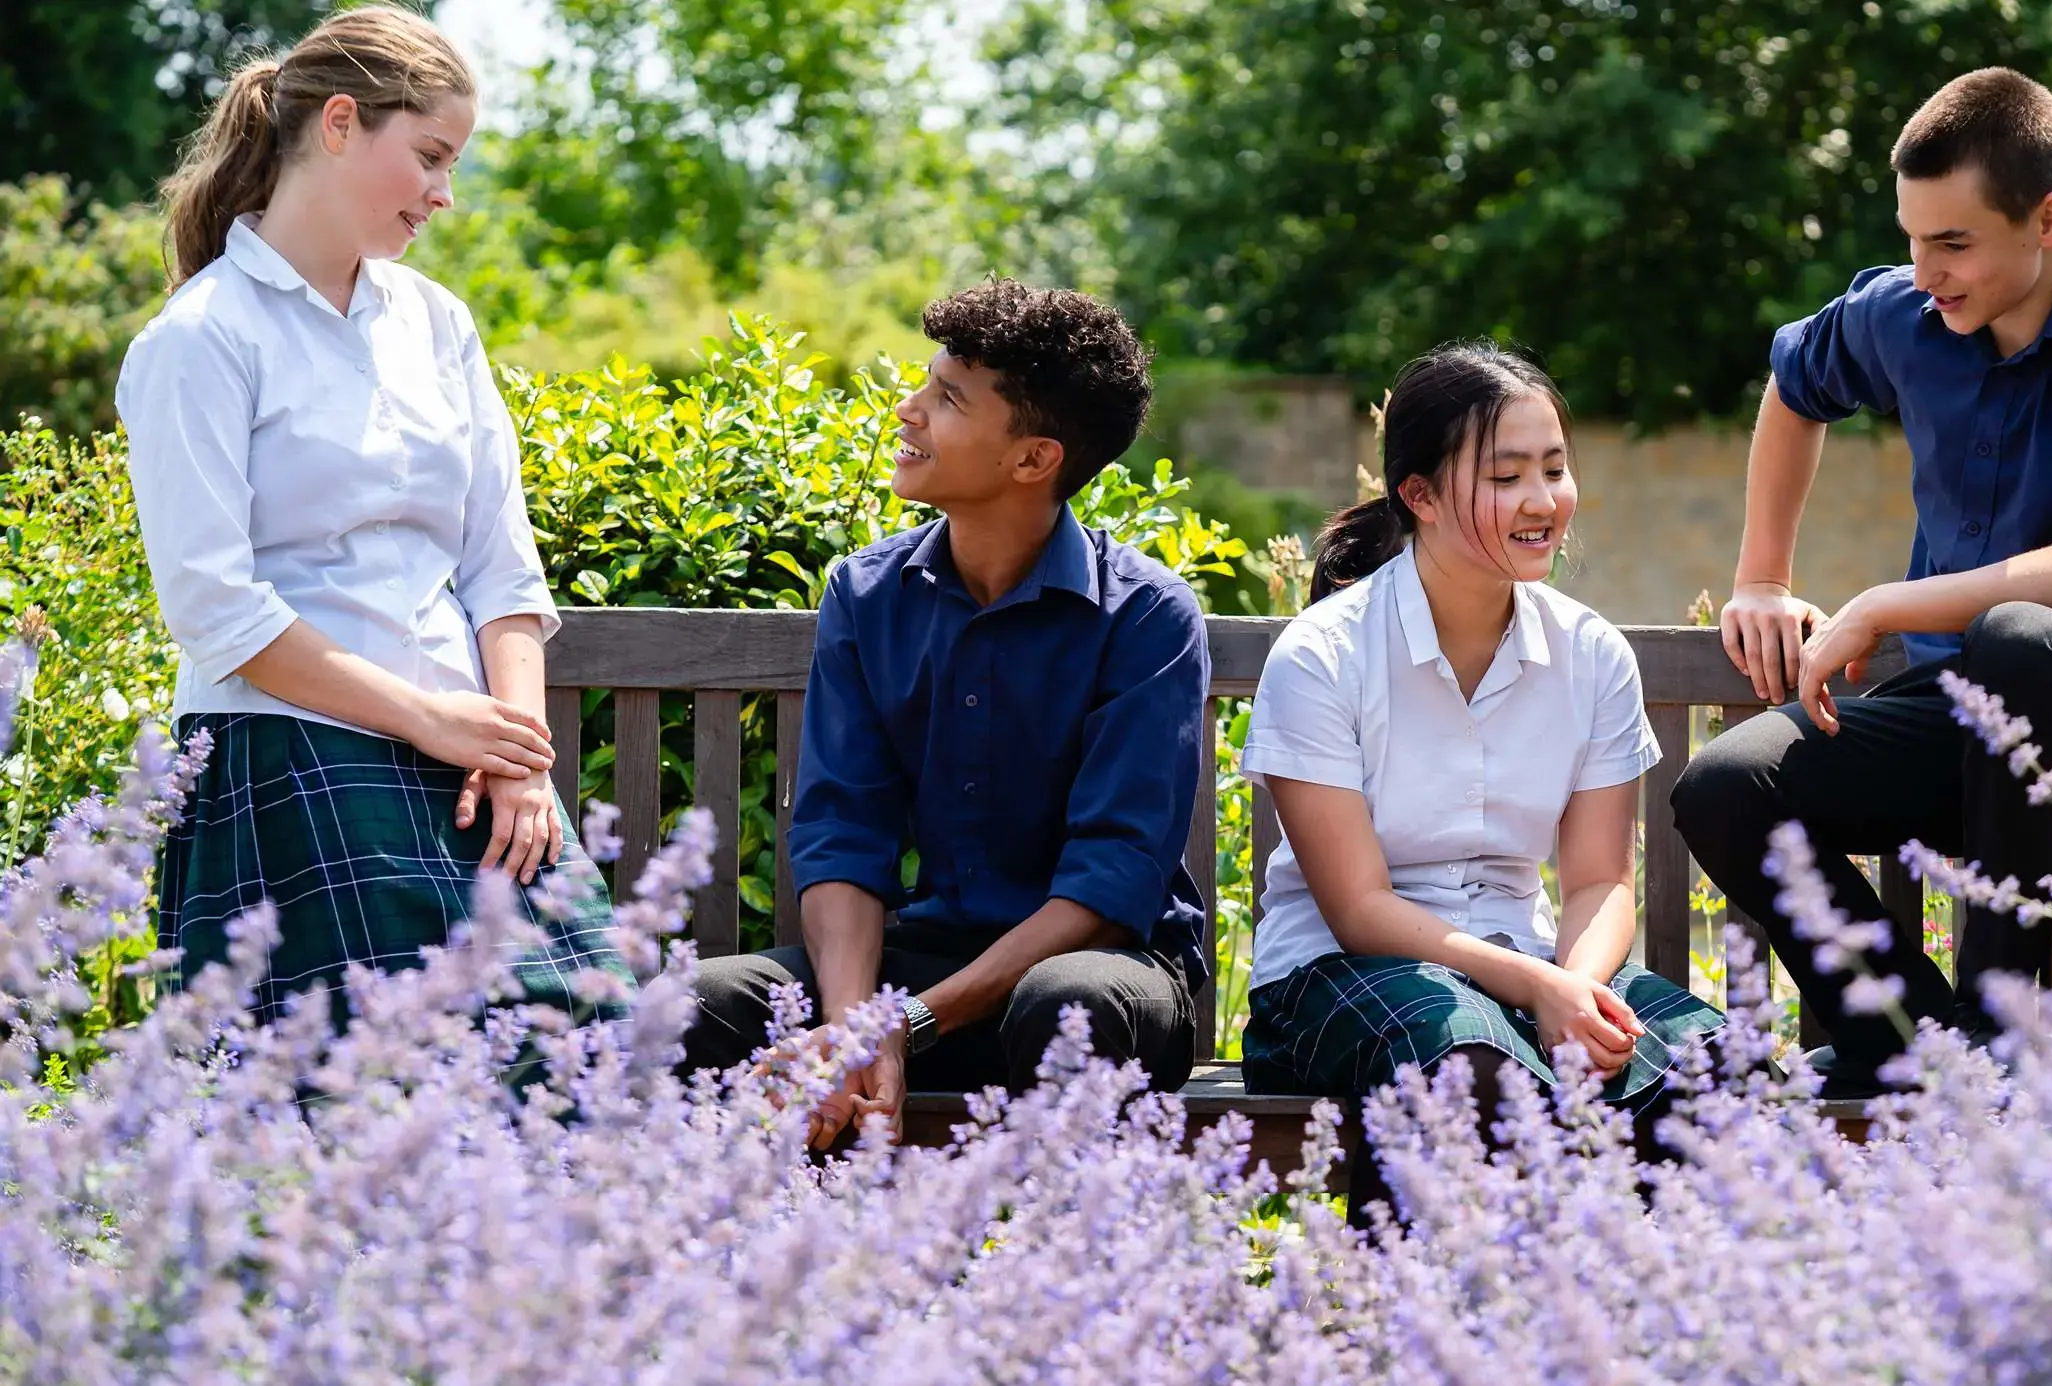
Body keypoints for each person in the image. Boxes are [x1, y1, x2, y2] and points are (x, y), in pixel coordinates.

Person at [1672, 68, 2052, 1099]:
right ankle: (1917, 1044)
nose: (1922, 272)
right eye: (1912, 238)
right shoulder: (1907, 314)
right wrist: (1760, 577)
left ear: (2049, 220)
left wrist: (1880, 605)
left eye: (1951, 242)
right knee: (1727, 788)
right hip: (1954, 716)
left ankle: (1997, 1017)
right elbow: (1795, 388)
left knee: (2019, 631)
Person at [119, 5, 630, 1027]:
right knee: (394, 1076)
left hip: (477, 754)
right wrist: (432, 719)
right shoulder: (202, 339)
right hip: (292, 749)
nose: (445, 195)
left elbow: (501, 569)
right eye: (432, 157)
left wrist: (516, 754)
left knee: (594, 1042)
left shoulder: (438, 323)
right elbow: (218, 612)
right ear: (342, 122)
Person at [681, 280, 1210, 1150]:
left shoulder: (1146, 616)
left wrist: (909, 1026)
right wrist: (856, 1031)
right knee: (691, 1010)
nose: (907, 409)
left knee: (1067, 1004)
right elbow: (845, 830)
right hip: (914, 969)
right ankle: (773, 1278)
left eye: (947, 398)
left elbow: (1112, 885)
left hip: (1102, 976)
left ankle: (1068, 1280)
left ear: (1034, 459)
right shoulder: (866, 594)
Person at [1240, 342, 1726, 1207]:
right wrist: (1540, 989)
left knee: (1720, 1073)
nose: (1543, 502)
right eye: (1506, 478)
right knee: (1469, 1068)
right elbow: (1356, 910)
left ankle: (1649, 1329)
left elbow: (1600, 881)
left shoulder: (1590, 655)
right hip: (1334, 977)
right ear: (1418, 496)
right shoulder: (1323, 655)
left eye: (1554, 469)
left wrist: (1573, 992)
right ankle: (1422, 1332)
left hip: (1530, 963)